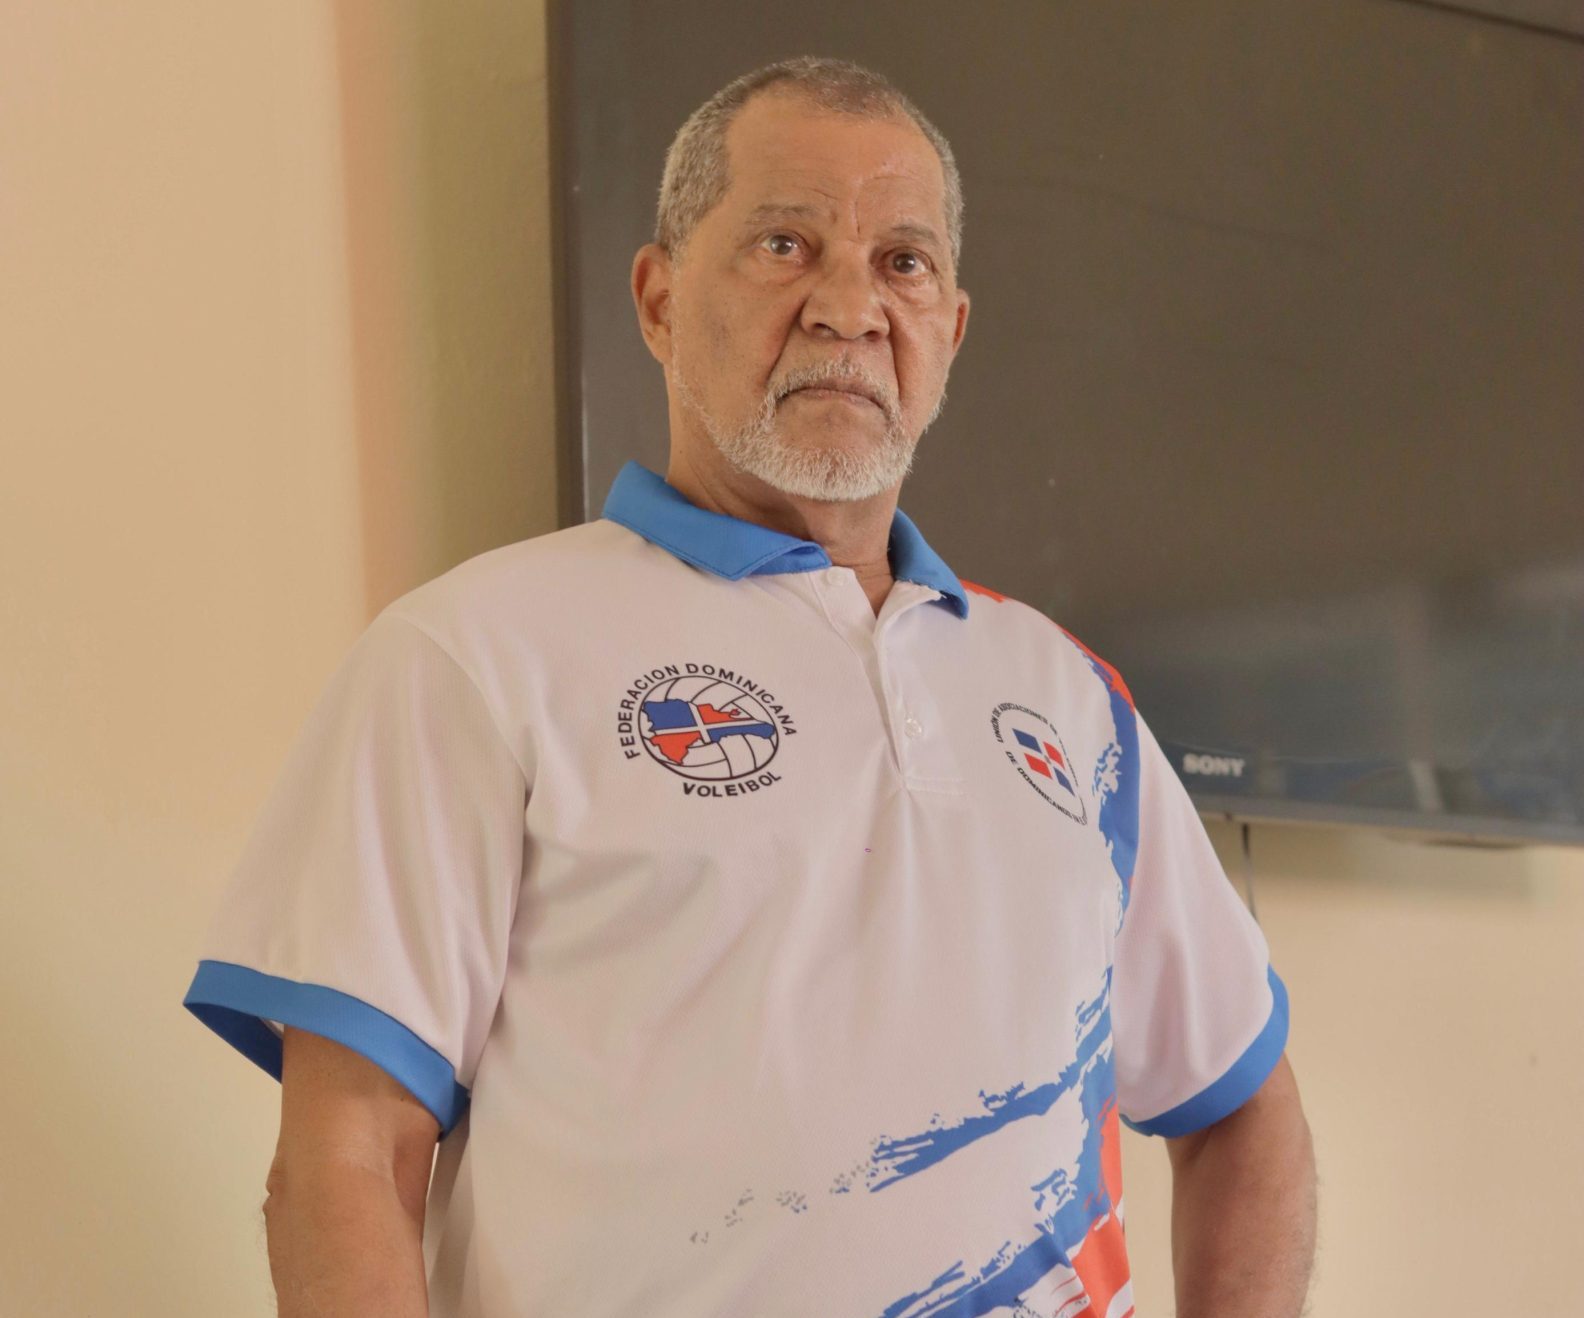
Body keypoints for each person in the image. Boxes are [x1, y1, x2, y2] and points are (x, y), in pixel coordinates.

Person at [183, 55, 1316, 1318]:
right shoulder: (471, 655)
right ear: (659, 300)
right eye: (786, 245)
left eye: (903, 261)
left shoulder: (1075, 703)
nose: (850, 307)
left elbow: (1242, 1111)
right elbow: (344, 1158)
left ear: (949, 330)